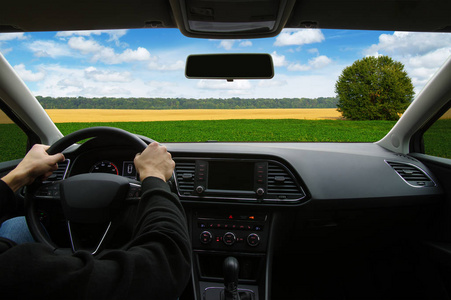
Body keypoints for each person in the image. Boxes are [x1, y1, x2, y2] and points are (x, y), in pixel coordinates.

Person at [0, 143, 191, 299]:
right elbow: (166, 267)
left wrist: (19, 175)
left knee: (17, 225)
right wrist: (154, 176)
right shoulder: (22, 274)